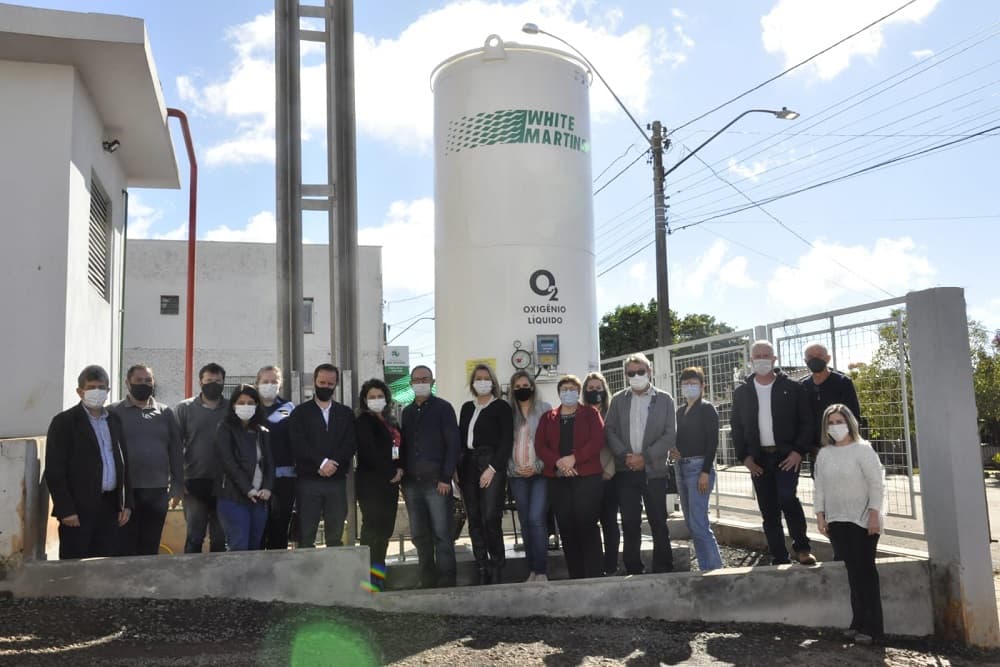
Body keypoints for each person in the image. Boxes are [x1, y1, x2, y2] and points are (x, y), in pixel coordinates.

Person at [732, 340, 817, 566]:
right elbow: (736, 428)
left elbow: (806, 422)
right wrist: (745, 458)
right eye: (757, 356)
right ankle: (779, 557)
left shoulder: (793, 387)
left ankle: (803, 548)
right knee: (768, 509)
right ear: (751, 360)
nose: (762, 359)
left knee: (787, 497)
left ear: (774, 359)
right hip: (758, 459)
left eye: (766, 355)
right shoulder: (742, 392)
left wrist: (798, 451)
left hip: (787, 456)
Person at [45, 365, 132, 559]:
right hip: (77, 510)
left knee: (106, 563)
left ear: (108, 391)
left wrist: (126, 503)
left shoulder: (114, 420)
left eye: (101, 387)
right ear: (80, 391)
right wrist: (66, 510)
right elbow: (55, 470)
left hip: (110, 507)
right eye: (91, 387)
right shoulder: (64, 422)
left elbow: (123, 463)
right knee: (75, 564)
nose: (97, 392)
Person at [815, 403, 885, 644]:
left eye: (839, 421)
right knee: (853, 573)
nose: (835, 426)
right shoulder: (824, 454)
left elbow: (876, 484)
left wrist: (874, 514)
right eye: (831, 423)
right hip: (837, 520)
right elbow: (819, 487)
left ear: (850, 422)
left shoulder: (863, 450)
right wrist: (820, 515)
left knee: (866, 572)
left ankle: (873, 629)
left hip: (863, 520)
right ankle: (858, 622)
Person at [604, 353, 676, 574]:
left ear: (650, 371)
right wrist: (625, 455)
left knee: (658, 521)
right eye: (631, 373)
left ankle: (663, 567)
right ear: (625, 375)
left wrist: (645, 457)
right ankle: (634, 568)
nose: (636, 376)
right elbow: (609, 430)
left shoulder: (664, 399)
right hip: (626, 471)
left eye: (640, 371)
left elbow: (669, 435)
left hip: (654, 471)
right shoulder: (618, 400)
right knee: (630, 522)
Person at [534, 374, 605, 579]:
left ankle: (595, 574)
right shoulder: (548, 417)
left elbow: (598, 440)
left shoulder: (590, 413)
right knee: (566, 526)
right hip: (558, 479)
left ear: (578, 392)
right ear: (559, 393)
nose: (568, 393)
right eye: (564, 389)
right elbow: (540, 445)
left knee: (587, 524)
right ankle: (576, 575)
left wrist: (574, 458)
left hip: (587, 478)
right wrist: (559, 462)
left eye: (572, 389)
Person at [111, 364, 183, 556]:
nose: (144, 384)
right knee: (124, 545)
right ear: (127, 383)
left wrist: (177, 486)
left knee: (150, 544)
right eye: (139, 380)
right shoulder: (114, 412)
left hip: (157, 491)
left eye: (148, 380)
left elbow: (176, 451)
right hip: (125, 492)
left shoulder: (165, 413)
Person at [401, 365, 461, 588]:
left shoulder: (443, 408)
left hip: (437, 484)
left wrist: (446, 477)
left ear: (432, 382)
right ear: (411, 384)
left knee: (443, 535)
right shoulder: (406, 412)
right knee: (419, 536)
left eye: (425, 379)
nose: (420, 383)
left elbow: (453, 445)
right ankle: (426, 579)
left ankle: (447, 581)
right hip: (412, 485)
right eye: (416, 380)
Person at [289, 364, 357, 548]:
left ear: (336, 385)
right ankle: (307, 567)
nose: (326, 387)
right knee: (306, 535)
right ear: (314, 382)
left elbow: (350, 443)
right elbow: (298, 443)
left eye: (330, 384)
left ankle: (332, 566)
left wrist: (334, 462)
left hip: (336, 481)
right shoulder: (300, 413)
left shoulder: (345, 413)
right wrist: (321, 463)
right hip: (308, 481)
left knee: (335, 534)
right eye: (322, 383)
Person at [458, 364, 513, 585]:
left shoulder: (501, 407)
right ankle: (482, 566)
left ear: (493, 382)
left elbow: (506, 441)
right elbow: (461, 440)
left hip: (491, 463)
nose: (482, 381)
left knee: (490, 517)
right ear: (472, 383)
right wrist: (457, 470)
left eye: (486, 378)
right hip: (468, 465)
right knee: (474, 518)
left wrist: (492, 469)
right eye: (478, 378)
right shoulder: (466, 408)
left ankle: (497, 565)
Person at [669, 366, 723, 571]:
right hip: (681, 468)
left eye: (693, 383)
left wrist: (705, 472)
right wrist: (674, 451)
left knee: (699, 523)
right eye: (685, 383)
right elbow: (678, 440)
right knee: (692, 523)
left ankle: (713, 569)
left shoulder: (707, 409)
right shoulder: (680, 411)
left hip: (699, 468)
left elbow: (712, 443)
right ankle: (705, 566)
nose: (689, 387)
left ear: (702, 386)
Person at [355, 378, 404, 590]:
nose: (376, 400)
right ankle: (368, 577)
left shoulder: (391, 421)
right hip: (372, 484)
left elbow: (399, 450)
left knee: (385, 531)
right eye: (372, 397)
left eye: (380, 396)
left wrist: (400, 469)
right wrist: (391, 472)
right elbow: (369, 452)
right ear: (365, 400)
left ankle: (378, 574)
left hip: (390, 485)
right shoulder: (363, 422)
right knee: (372, 530)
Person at [175, 362, 229, 553]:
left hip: (225, 485)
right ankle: (191, 572)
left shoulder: (231, 409)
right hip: (193, 483)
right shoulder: (184, 408)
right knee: (194, 537)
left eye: (218, 381)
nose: (213, 384)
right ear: (200, 382)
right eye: (209, 380)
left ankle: (217, 572)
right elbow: (175, 446)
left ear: (223, 383)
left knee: (220, 539)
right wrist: (177, 481)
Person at [214, 384, 274, 551]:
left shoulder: (262, 431)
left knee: (255, 547)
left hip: (259, 500)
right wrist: (248, 489)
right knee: (239, 546)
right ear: (233, 405)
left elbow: (269, 463)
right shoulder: (225, 428)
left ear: (257, 405)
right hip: (233, 498)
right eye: (241, 402)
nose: (246, 406)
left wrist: (268, 487)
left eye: (250, 403)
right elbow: (229, 463)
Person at [508, 370, 552, 582]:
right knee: (525, 521)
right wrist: (512, 468)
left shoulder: (545, 409)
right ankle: (532, 570)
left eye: (525, 385)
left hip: (540, 474)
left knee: (536, 519)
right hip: (516, 475)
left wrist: (538, 466)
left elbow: (551, 442)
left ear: (532, 387)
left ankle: (541, 571)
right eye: (517, 387)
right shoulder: (508, 412)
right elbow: (504, 444)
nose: (522, 389)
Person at [256, 366, 297, 550]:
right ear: (257, 383)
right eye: (265, 381)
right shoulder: (248, 406)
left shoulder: (287, 408)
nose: (269, 385)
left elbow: (271, 426)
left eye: (274, 381)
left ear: (280, 384)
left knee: (279, 530)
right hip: (255, 478)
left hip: (284, 477)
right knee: (258, 531)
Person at [583, 371, 619, 576]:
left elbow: (616, 443)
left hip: (609, 476)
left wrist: (609, 470)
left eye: (598, 388)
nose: (594, 391)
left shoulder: (612, 413)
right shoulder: (580, 413)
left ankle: (611, 566)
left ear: (604, 390)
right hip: (587, 477)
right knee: (589, 524)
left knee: (610, 523)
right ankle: (595, 567)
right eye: (590, 388)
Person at [801, 341, 862, 457]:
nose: (815, 359)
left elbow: (853, 416)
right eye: (810, 357)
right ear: (805, 361)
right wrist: (811, 448)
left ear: (828, 358)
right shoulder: (802, 386)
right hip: (815, 451)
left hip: (842, 448)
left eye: (819, 355)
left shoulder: (843, 382)